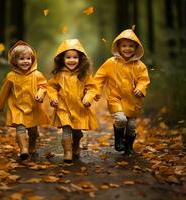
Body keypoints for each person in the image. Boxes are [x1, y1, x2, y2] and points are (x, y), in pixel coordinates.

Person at [94, 26, 150, 155]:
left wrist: (140, 88)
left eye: (131, 46)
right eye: (124, 45)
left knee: (131, 126)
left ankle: (129, 145)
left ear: (136, 48)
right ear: (118, 47)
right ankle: (119, 140)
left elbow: (144, 80)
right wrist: (96, 91)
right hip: (115, 97)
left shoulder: (140, 66)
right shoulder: (110, 63)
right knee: (121, 119)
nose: (127, 48)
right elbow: (99, 78)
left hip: (133, 99)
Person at [0, 40, 49, 160]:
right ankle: (23, 149)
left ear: (32, 59)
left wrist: (40, 94)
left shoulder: (37, 75)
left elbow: (44, 86)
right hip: (17, 107)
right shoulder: (11, 76)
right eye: (21, 59)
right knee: (20, 128)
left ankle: (32, 147)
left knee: (33, 131)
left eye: (28, 58)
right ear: (14, 61)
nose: (25, 61)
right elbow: (4, 91)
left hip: (33, 107)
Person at [48, 39, 98, 163]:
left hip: (79, 108)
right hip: (63, 108)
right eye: (68, 57)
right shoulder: (59, 74)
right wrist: (53, 98)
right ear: (62, 59)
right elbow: (51, 87)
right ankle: (67, 152)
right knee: (66, 131)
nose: (71, 60)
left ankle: (76, 146)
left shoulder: (84, 75)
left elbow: (92, 88)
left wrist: (88, 98)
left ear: (81, 59)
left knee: (77, 133)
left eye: (75, 57)